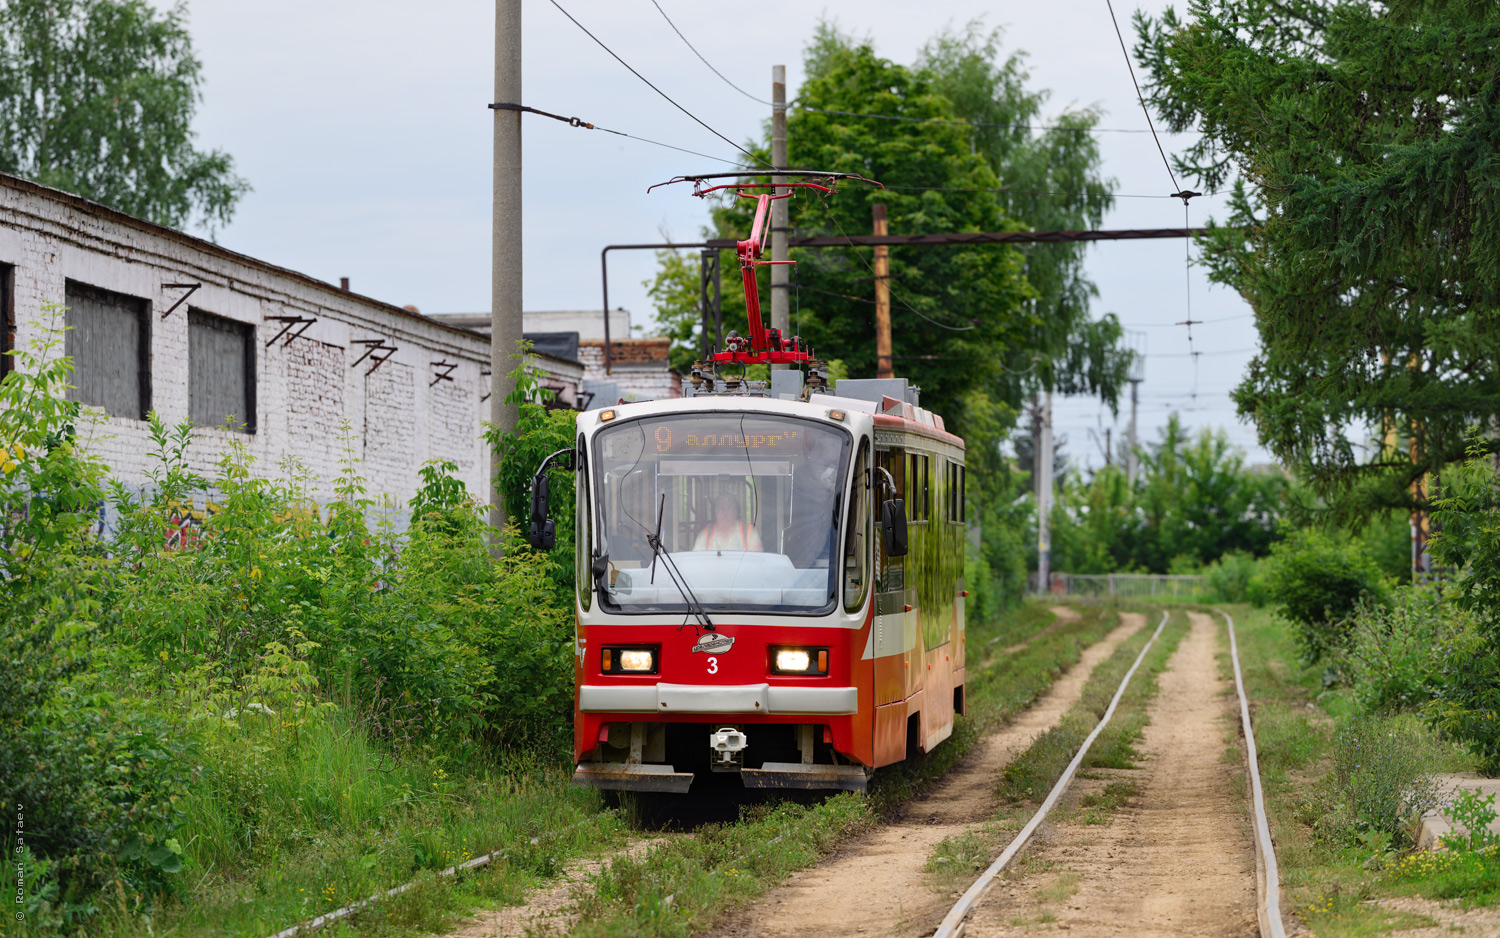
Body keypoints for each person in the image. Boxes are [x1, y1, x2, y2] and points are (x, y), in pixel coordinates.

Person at [693, 493, 763, 552]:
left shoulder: (749, 532)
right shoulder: (705, 535)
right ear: (714, 512)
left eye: (730, 506)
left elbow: (757, 561)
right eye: (720, 507)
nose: (725, 511)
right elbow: (695, 562)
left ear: (736, 511)